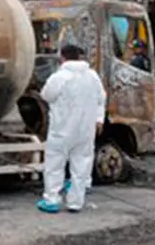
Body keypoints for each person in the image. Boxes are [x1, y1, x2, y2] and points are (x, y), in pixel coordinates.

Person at [37, 44, 106, 214]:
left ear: (62, 57)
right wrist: (99, 120)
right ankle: (76, 202)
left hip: (62, 129)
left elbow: (46, 95)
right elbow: (101, 99)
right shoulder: (92, 76)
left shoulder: (59, 77)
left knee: (55, 164)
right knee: (81, 164)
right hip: (85, 130)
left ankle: (52, 199)